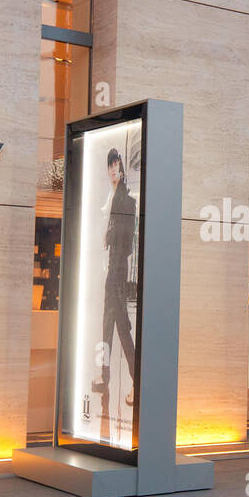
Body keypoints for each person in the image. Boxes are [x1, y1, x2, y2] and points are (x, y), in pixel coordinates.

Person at [92, 147, 136, 408]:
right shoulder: (110, 199)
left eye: (115, 164)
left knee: (121, 330)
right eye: (109, 165)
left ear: (121, 167)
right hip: (110, 272)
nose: (112, 170)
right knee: (108, 328)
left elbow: (127, 244)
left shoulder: (127, 202)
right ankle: (105, 377)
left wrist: (110, 238)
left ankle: (135, 379)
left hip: (117, 272)